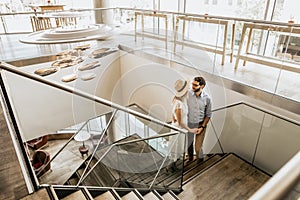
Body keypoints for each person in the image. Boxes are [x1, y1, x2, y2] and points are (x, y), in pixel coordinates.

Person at [167, 79, 197, 172]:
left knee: (178, 148)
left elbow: (173, 114)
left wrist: (173, 117)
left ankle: (174, 166)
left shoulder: (179, 101)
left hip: (179, 129)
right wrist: (190, 130)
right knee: (176, 148)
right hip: (179, 130)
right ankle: (170, 167)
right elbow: (180, 123)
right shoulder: (179, 104)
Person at [187, 76, 212, 163]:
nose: (192, 86)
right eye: (192, 84)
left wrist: (202, 127)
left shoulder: (207, 99)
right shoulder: (189, 93)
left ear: (202, 86)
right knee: (188, 145)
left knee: (198, 147)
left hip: (200, 125)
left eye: (195, 85)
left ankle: (200, 160)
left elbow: (208, 115)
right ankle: (190, 159)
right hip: (189, 124)